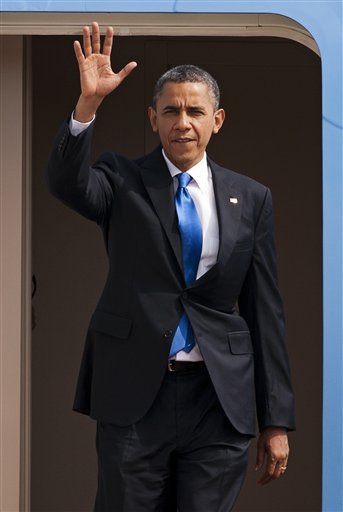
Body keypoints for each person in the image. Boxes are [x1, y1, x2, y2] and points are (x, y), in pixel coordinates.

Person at [47, 21, 295, 512]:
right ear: (153, 118)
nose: (183, 121)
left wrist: (276, 419)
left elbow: (265, 311)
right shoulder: (122, 179)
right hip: (136, 393)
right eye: (171, 111)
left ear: (217, 119)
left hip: (218, 399)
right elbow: (66, 185)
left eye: (195, 111)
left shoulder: (251, 198)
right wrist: (87, 107)